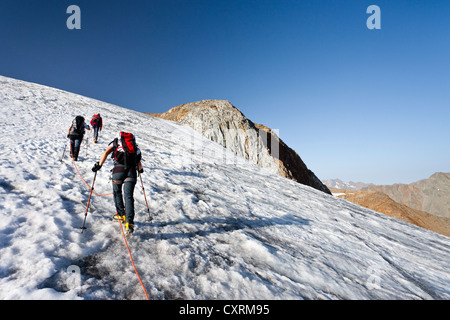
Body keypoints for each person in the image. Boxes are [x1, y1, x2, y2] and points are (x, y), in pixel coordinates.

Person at [92, 132, 143, 234]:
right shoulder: (135, 148)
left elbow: (106, 153)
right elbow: (138, 163)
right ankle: (129, 223)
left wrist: (99, 165)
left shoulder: (116, 144)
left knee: (117, 192)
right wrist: (140, 170)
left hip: (118, 171)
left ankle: (121, 215)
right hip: (131, 173)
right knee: (129, 196)